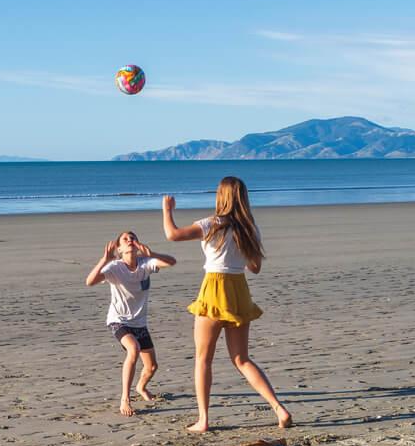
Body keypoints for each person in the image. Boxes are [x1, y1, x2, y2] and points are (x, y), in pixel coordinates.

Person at [162, 178, 293, 433]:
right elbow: (255, 268)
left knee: (203, 359)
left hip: (214, 287)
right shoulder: (250, 229)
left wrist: (167, 210)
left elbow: (172, 235)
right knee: (241, 359)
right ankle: (278, 407)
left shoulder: (212, 223)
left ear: (220, 196)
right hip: (239, 289)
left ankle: (204, 419)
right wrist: (235, 258)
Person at [84, 229, 177, 416]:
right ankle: (125, 398)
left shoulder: (145, 264)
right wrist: (105, 259)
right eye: (125, 239)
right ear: (119, 248)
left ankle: (141, 387)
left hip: (140, 323)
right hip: (119, 320)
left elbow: (171, 262)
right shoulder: (114, 267)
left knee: (152, 367)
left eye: (133, 238)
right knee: (133, 349)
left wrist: (152, 254)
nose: (130, 240)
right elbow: (90, 281)